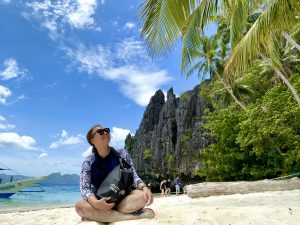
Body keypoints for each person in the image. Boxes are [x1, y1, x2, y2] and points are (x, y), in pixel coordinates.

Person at [75, 124, 154, 223]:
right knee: (79, 206)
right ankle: (128, 217)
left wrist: (144, 187)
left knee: (142, 196)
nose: (105, 133)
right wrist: (96, 203)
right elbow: (85, 189)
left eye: (107, 130)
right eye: (100, 132)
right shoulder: (89, 161)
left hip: (123, 199)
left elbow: (133, 175)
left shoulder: (121, 153)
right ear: (93, 140)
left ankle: (106, 216)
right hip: (100, 202)